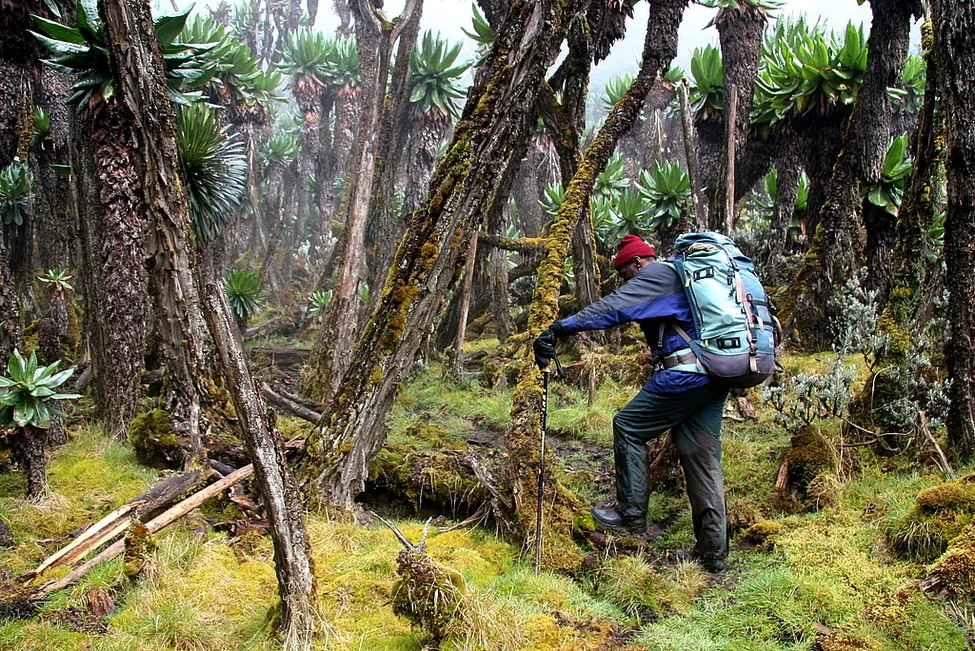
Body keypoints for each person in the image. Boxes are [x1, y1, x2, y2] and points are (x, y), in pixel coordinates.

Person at [533, 234, 729, 572]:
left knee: (628, 425)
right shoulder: (684, 277)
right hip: (717, 372)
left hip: (685, 374)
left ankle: (630, 515)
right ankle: (712, 552)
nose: (625, 280)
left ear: (638, 263)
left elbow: (615, 307)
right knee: (701, 459)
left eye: (625, 273)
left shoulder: (658, 275)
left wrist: (561, 328)